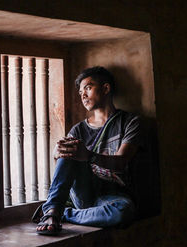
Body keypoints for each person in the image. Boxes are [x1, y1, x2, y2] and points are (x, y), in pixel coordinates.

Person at [33, 66, 142, 235]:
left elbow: (122, 162)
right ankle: (53, 209)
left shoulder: (129, 122)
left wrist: (89, 156)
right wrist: (57, 155)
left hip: (113, 195)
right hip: (84, 193)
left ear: (106, 88)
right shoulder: (78, 130)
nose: (83, 95)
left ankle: (65, 213)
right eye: (80, 92)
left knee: (123, 211)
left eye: (88, 88)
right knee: (69, 149)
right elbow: (65, 165)